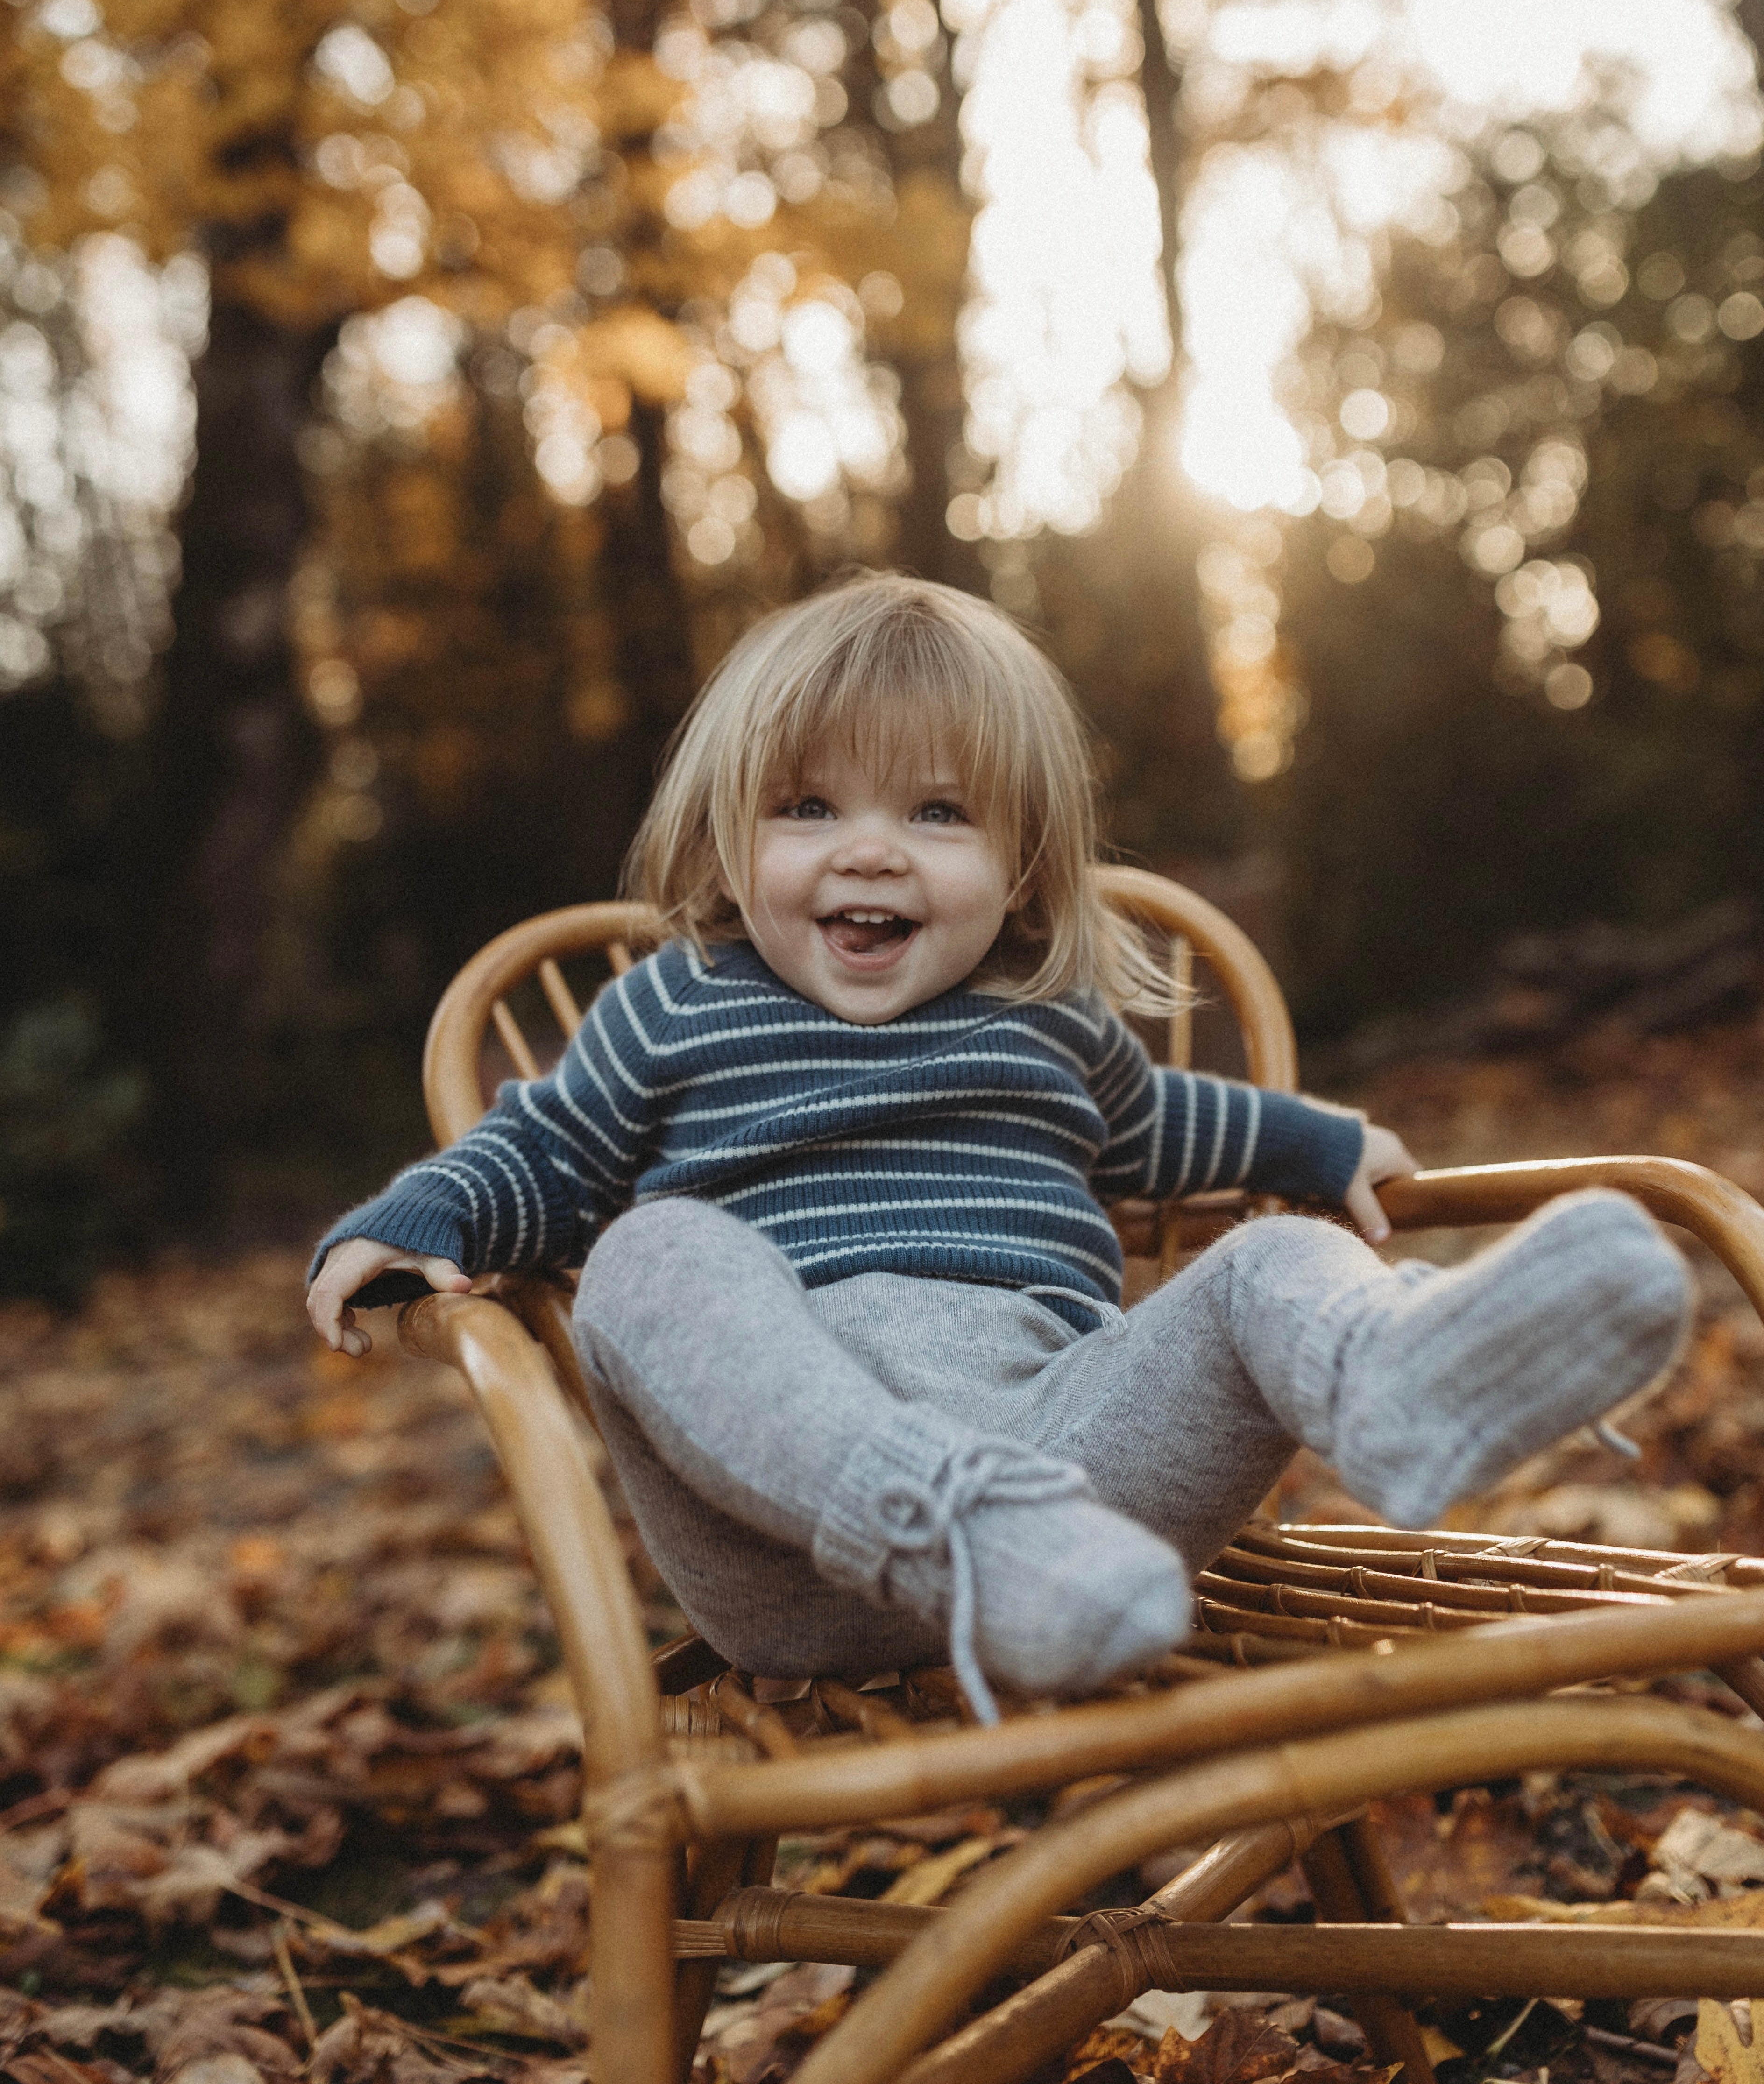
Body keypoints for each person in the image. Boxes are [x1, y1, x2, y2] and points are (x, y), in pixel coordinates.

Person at [307, 575, 1690, 1723]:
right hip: (792, 1534)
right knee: (649, 1253)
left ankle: (1394, 1383)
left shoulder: (1047, 1020)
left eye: (937, 812)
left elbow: (1166, 1126)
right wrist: (419, 1218)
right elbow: (542, 1150)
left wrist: (1321, 1145)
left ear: (1024, 864)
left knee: (1271, 1257)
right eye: (808, 808)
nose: (871, 854)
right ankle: (950, 1524)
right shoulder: (677, 1005)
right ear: (728, 840)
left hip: (1075, 1492)